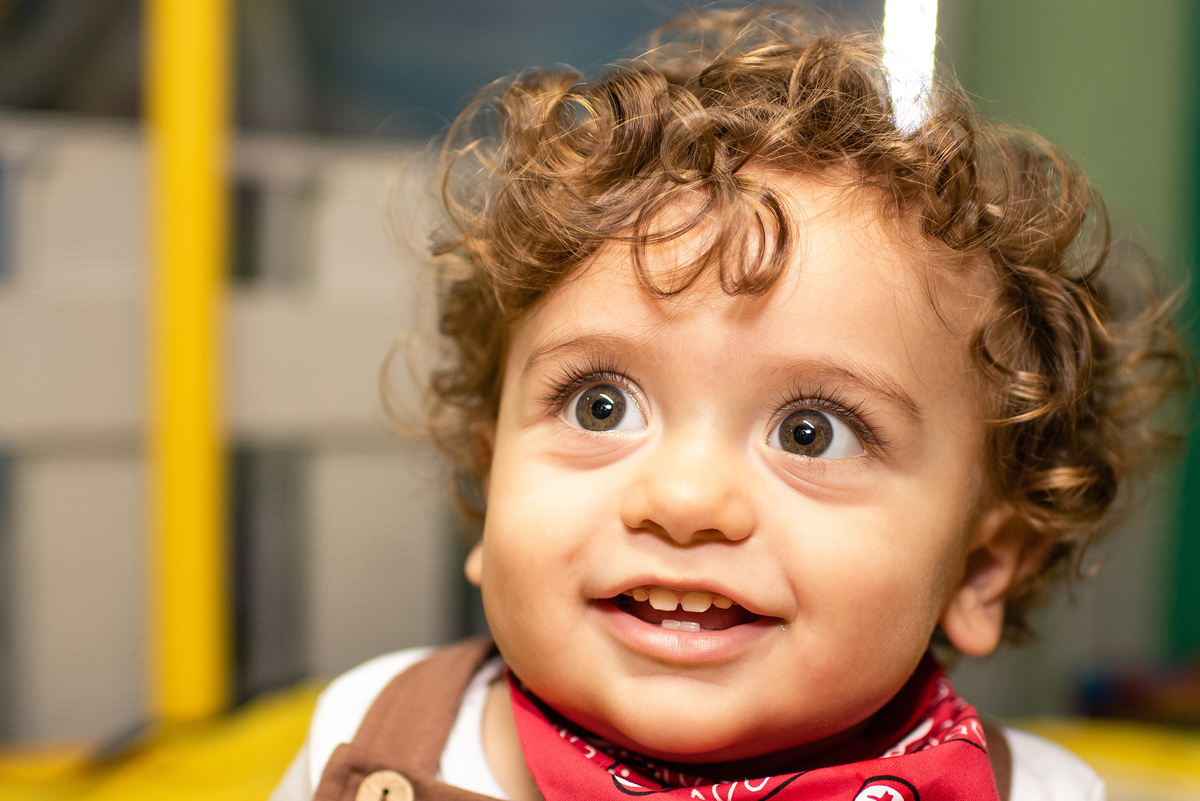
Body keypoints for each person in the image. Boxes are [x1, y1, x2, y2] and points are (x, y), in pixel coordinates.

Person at [272, 6, 1189, 800]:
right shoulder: (374, 736)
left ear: (982, 566)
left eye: (811, 432)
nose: (682, 499)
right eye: (600, 406)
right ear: (488, 476)